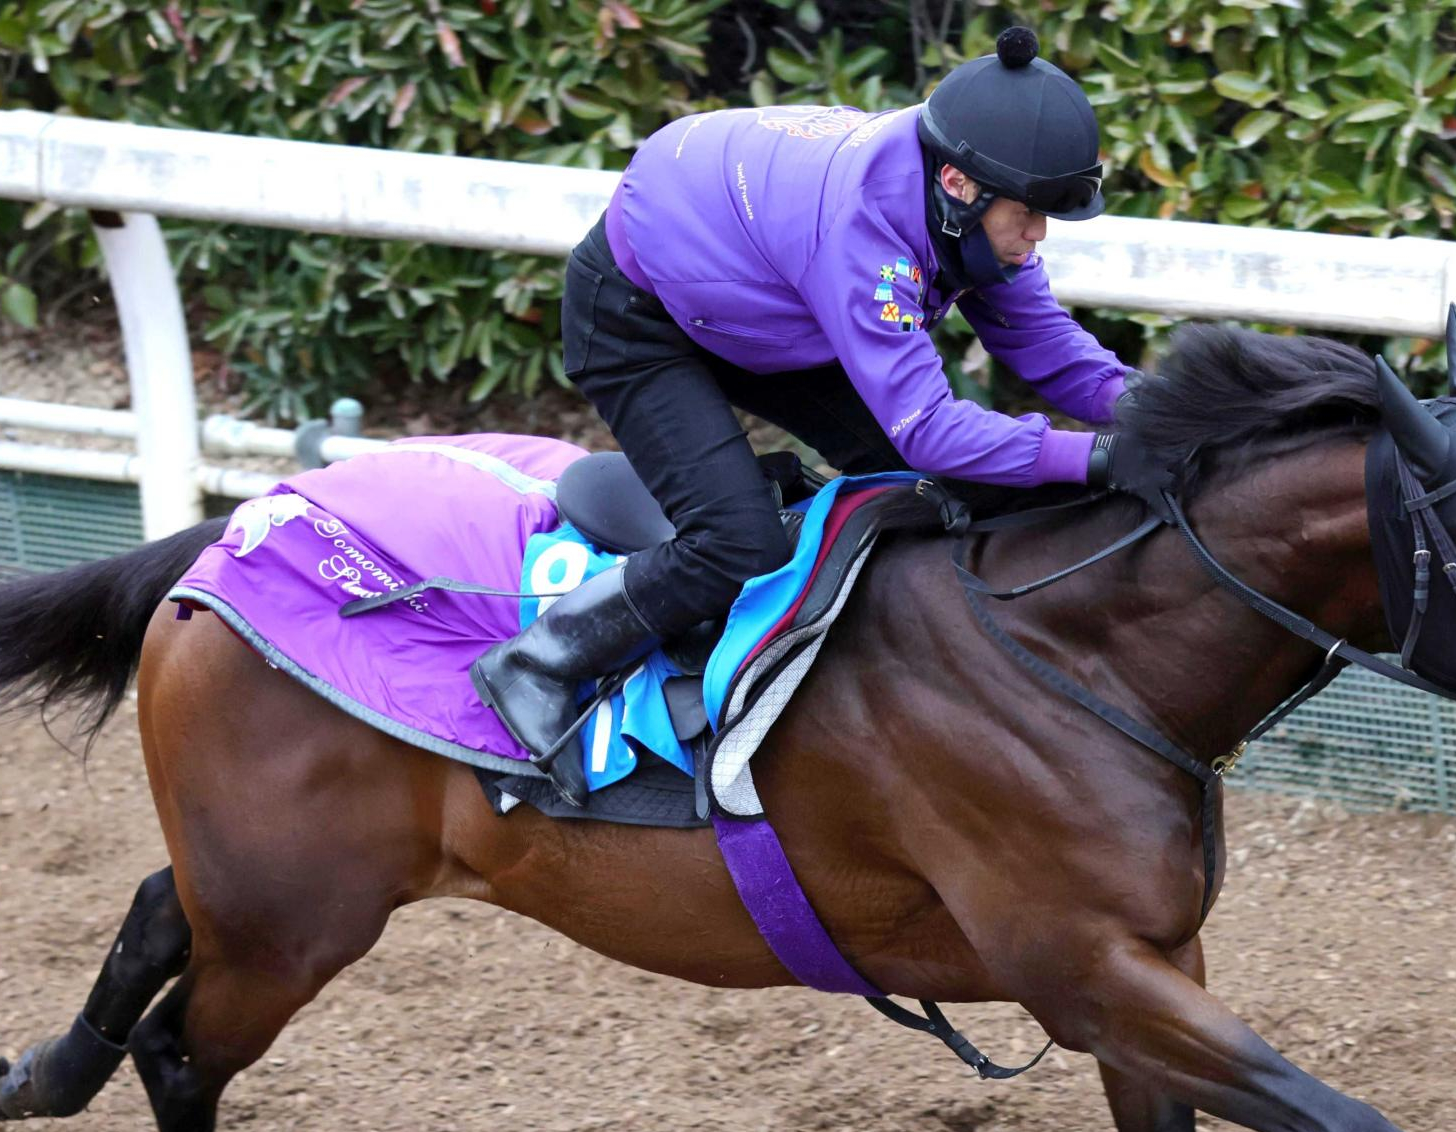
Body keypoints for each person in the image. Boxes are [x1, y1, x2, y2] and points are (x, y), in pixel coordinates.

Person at [473, 26, 1173, 803]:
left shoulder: (966, 194)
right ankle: (539, 660)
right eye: (1031, 215)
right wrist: (1101, 457)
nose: (1037, 238)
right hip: (638, 318)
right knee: (737, 540)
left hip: (765, 297)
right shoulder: (867, 229)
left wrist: (1162, 411)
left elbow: (1044, 345)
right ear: (959, 184)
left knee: (948, 486)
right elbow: (933, 430)